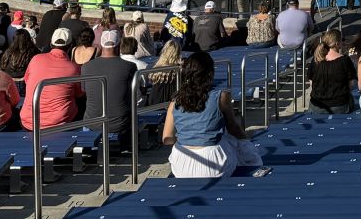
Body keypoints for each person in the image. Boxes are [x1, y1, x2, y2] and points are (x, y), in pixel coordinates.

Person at [162, 50, 265, 179]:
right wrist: (246, 140)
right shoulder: (221, 96)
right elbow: (233, 129)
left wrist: (190, 138)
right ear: (210, 73)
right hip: (214, 163)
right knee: (234, 141)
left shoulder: (175, 101)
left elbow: (167, 138)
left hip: (181, 164)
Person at [20, 27, 83, 132]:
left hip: (29, 121)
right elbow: (79, 93)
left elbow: (27, 81)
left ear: (51, 44)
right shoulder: (74, 68)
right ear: (71, 46)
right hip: (59, 122)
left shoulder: (36, 59)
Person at [83, 29, 138, 143]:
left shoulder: (86, 66)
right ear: (119, 45)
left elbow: (84, 91)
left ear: (101, 45)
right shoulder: (130, 66)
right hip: (119, 125)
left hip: (91, 125)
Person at [308, 29, 356, 113]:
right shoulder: (345, 60)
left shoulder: (316, 60)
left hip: (317, 105)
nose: (343, 42)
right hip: (339, 105)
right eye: (342, 39)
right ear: (337, 43)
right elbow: (351, 84)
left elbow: (312, 83)